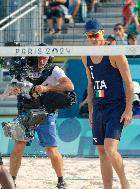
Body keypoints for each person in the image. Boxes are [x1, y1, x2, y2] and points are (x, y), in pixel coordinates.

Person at [8, 50, 74, 189]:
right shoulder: (24, 68)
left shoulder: (54, 69)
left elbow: (69, 86)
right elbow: (12, 88)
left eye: (45, 57)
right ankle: (11, 181)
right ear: (35, 56)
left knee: (51, 149)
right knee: (19, 146)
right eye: (40, 57)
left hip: (46, 112)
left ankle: (61, 180)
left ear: (49, 57)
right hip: (26, 112)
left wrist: (45, 88)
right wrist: (16, 89)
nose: (42, 60)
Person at [82, 18, 133, 189]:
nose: (93, 39)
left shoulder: (115, 53)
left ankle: (124, 183)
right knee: (102, 152)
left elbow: (129, 82)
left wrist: (128, 109)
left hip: (115, 107)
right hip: (98, 107)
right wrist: (90, 110)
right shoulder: (85, 55)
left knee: (110, 149)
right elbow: (90, 84)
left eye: (95, 34)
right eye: (89, 36)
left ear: (102, 33)